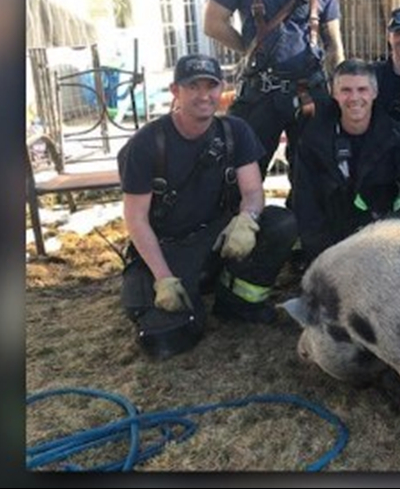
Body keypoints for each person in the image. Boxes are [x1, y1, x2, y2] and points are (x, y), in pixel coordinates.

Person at [117, 54, 297, 358]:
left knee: (281, 223)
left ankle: (236, 302)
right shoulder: (147, 143)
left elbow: (253, 191)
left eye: (211, 86)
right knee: (165, 342)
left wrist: (247, 220)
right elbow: (135, 219)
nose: (204, 95)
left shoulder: (235, 131)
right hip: (169, 246)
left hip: (217, 235)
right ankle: (179, 290)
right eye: (193, 86)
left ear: (221, 88)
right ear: (175, 91)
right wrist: (162, 277)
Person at [203, 0, 345, 178]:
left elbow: (335, 46)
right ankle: (242, 222)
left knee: (316, 177)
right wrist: (251, 49)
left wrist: (339, 91)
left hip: (309, 94)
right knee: (239, 175)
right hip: (260, 94)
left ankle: (307, 223)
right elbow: (213, 22)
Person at [293, 59, 400, 265]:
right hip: (333, 244)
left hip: (384, 239)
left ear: (374, 92)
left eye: (362, 89)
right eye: (346, 90)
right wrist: (323, 258)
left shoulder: (397, 136)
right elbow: (306, 204)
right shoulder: (314, 141)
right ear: (334, 93)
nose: (354, 98)